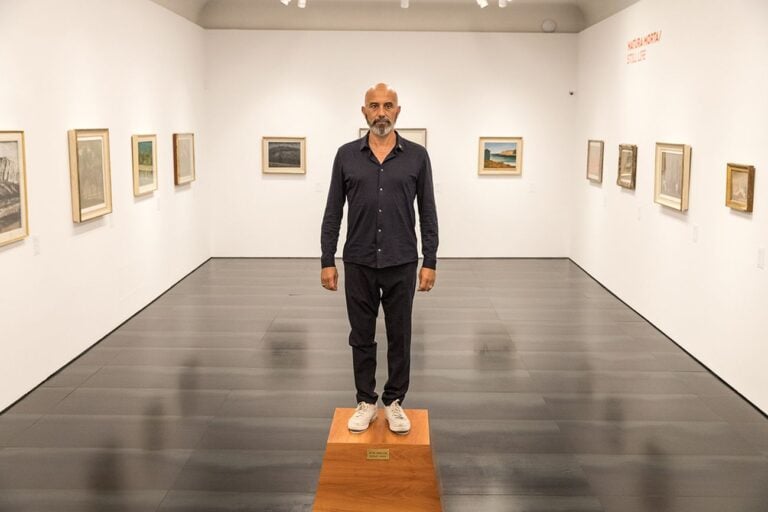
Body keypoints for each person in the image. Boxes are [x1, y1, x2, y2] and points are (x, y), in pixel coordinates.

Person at [320, 83, 439, 435]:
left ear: (398, 112)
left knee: (400, 334)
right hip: (358, 260)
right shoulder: (346, 156)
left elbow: (428, 211)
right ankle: (366, 401)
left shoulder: (417, 156)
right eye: (374, 106)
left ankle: (395, 401)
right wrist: (328, 258)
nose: (381, 112)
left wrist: (429, 259)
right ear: (364, 112)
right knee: (361, 335)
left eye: (388, 105)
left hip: (402, 260)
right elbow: (332, 212)